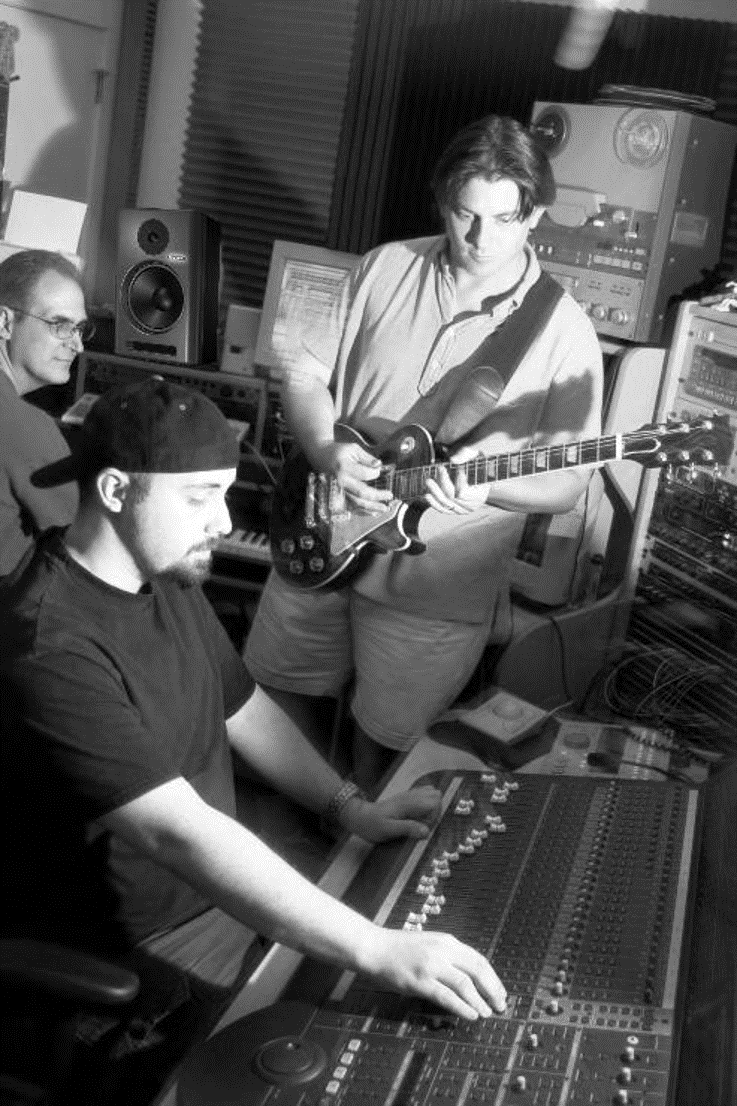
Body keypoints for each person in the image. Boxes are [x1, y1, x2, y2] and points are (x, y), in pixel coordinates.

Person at [0, 378, 506, 1099]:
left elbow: (243, 709)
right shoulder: (49, 646)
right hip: (138, 957)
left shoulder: (161, 574)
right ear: (114, 490)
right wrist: (377, 949)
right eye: (200, 496)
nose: (224, 519)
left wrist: (350, 807)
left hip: (214, 909)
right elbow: (177, 834)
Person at [244, 114, 604, 788]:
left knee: (382, 766)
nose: (480, 238)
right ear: (441, 200)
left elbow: (569, 485)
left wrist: (486, 487)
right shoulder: (384, 265)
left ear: (535, 215)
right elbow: (304, 374)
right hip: (321, 528)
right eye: (465, 215)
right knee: (272, 724)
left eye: (503, 219)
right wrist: (322, 448)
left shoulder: (564, 332)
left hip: (435, 589)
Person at [0, 247, 91, 576]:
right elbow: (83, 544)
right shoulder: (25, 426)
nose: (77, 345)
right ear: (5, 322)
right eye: (60, 325)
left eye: (79, 329)